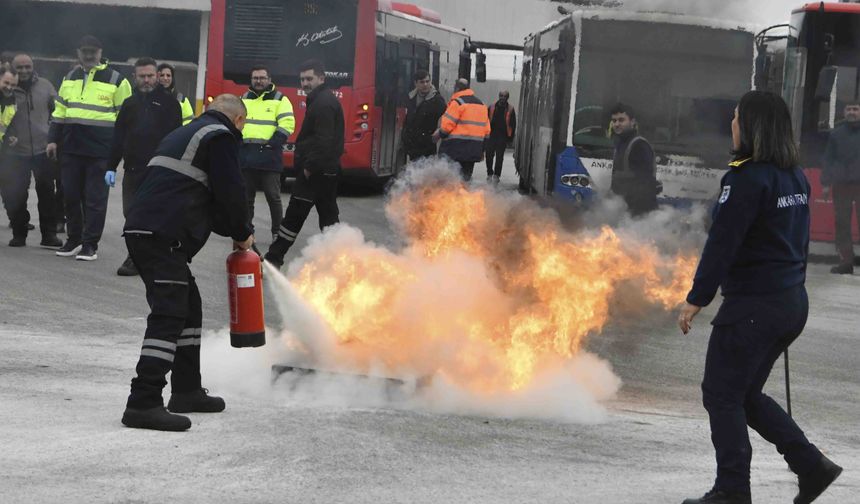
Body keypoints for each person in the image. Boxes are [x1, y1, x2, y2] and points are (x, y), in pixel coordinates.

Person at [678, 91, 842, 504]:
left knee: (721, 394)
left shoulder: (746, 178)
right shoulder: (794, 176)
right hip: (789, 301)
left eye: (736, 118)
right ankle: (811, 466)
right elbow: (798, 241)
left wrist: (698, 297)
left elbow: (723, 243)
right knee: (745, 395)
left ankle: (732, 489)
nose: (732, 125)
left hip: (753, 306)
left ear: (752, 127)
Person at [120, 94, 254, 432]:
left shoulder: (185, 133)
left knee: (189, 307)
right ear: (238, 120)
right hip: (162, 235)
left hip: (146, 230)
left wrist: (235, 231)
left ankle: (186, 390)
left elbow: (202, 196)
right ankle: (143, 402)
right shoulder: (220, 136)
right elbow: (231, 192)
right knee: (169, 314)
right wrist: (243, 233)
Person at [47, 35, 132, 261]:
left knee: (95, 200)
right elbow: (59, 112)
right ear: (78, 53)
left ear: (100, 53)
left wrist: (122, 149)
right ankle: (74, 240)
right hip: (71, 149)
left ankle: (90, 244)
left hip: (101, 152)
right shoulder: (69, 78)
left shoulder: (117, 80)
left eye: (92, 51)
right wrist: (53, 139)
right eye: (84, 51)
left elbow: (126, 118)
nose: (88, 55)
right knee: (70, 197)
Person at [106, 57, 182, 276]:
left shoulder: (170, 104)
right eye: (142, 76)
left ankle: (148, 257)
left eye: (150, 76)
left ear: (157, 76)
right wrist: (111, 166)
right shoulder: (129, 104)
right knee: (131, 215)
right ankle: (137, 254)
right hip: (133, 170)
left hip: (159, 171)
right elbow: (118, 137)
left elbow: (177, 138)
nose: (146, 80)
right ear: (134, 77)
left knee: (155, 216)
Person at [264, 59, 343, 269]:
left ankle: (273, 259)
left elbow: (323, 140)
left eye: (309, 79)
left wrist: (309, 167)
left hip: (316, 172)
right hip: (326, 170)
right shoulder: (321, 99)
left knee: (294, 216)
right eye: (302, 80)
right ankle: (338, 261)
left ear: (321, 78)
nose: (305, 83)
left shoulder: (323, 103)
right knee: (328, 218)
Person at [4, 54, 62, 248]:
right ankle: (19, 233)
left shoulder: (46, 86)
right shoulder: (7, 88)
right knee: (16, 195)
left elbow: (58, 111)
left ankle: (49, 234)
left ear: (33, 66)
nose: (24, 71)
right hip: (15, 153)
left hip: (42, 150)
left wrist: (53, 137)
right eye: (19, 67)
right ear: (12, 68)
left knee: (47, 194)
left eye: (27, 66)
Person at [240, 65, 295, 242]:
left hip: (269, 158)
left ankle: (277, 233)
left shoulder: (280, 99)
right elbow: (236, 123)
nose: (258, 81)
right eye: (255, 78)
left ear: (269, 80)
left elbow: (287, 124)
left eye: (262, 78)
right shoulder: (243, 98)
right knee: (247, 199)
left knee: (273, 197)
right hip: (247, 158)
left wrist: (273, 143)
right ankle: (247, 232)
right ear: (251, 80)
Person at [821, 100, 860, 275]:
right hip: (841, 184)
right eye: (849, 109)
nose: (852, 112)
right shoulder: (836, 134)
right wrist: (825, 183)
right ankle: (846, 262)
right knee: (842, 224)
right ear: (844, 112)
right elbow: (828, 159)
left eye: (855, 109)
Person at [434, 78, 490, 181]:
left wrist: (439, 134)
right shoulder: (482, 105)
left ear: (456, 88)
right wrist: (482, 149)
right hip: (474, 149)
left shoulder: (457, 103)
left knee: (451, 179)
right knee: (465, 179)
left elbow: (446, 127)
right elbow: (487, 131)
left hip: (455, 148)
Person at [609, 103, 659, 215]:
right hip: (624, 210)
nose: (617, 124)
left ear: (632, 122)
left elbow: (644, 184)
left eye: (621, 120)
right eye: (614, 120)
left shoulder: (639, 145)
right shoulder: (620, 145)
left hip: (640, 213)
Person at [402, 69, 445, 161]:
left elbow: (445, 118)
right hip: (412, 145)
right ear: (416, 83)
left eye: (427, 81)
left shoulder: (437, 100)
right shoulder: (410, 98)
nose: (425, 84)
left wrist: (438, 131)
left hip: (428, 145)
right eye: (422, 82)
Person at [485, 90, 516, 184]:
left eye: (504, 96)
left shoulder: (511, 109)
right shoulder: (491, 107)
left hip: (503, 136)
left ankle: (497, 175)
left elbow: (513, 124)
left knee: (499, 156)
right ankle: (489, 173)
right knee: (489, 155)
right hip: (491, 134)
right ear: (499, 96)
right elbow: (486, 120)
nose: (502, 98)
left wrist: (510, 138)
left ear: (507, 98)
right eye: (501, 96)